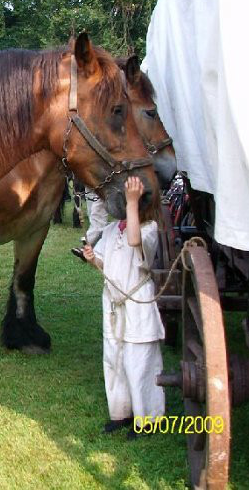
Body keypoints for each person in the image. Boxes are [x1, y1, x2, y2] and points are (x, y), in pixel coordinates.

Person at [82, 176, 164, 439]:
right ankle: (121, 413)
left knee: (138, 361)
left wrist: (132, 201)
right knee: (114, 358)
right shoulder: (111, 230)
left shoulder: (148, 229)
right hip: (113, 303)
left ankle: (147, 420)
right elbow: (104, 263)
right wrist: (93, 259)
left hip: (137, 304)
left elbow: (134, 240)